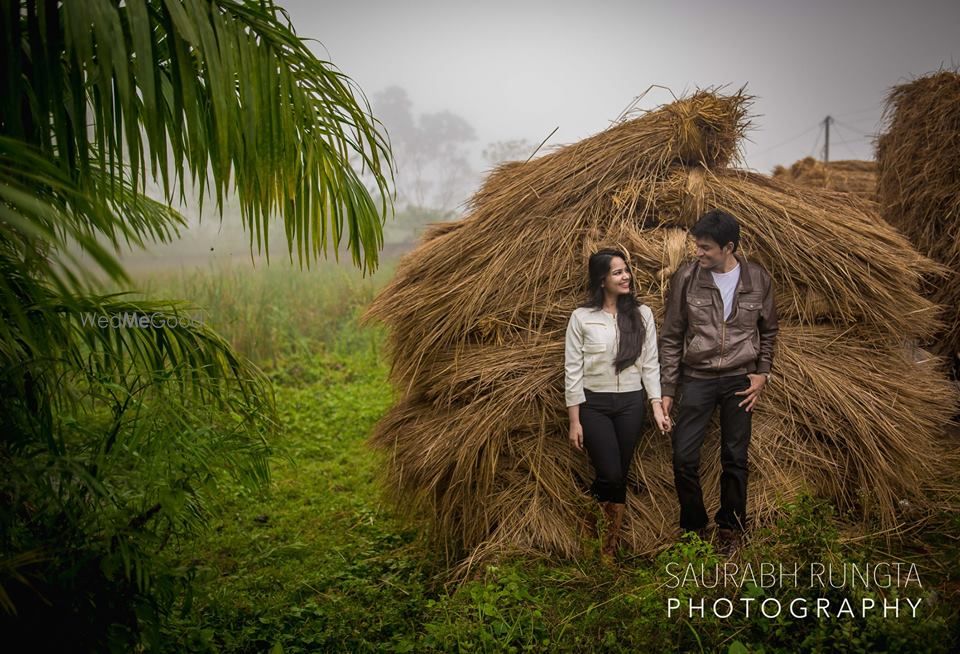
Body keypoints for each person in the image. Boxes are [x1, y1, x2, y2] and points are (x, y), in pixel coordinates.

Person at [659, 209, 779, 556]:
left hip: (739, 380)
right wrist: (668, 389)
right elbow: (671, 336)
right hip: (697, 377)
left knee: (735, 457)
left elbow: (768, 331)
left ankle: (731, 529)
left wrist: (762, 372)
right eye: (696, 246)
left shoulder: (757, 279)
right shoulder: (686, 278)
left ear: (728, 247)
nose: (698, 253)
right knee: (683, 456)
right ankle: (694, 527)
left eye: (706, 248)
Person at [565, 249, 671, 563]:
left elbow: (650, 364)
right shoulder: (581, 318)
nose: (625, 277)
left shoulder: (642, 314)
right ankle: (592, 528)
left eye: (626, 271)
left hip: (630, 404)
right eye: (617, 272)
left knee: (619, 476)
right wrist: (575, 420)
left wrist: (655, 404)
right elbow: (573, 369)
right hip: (593, 405)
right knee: (609, 473)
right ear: (601, 279)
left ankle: (606, 550)